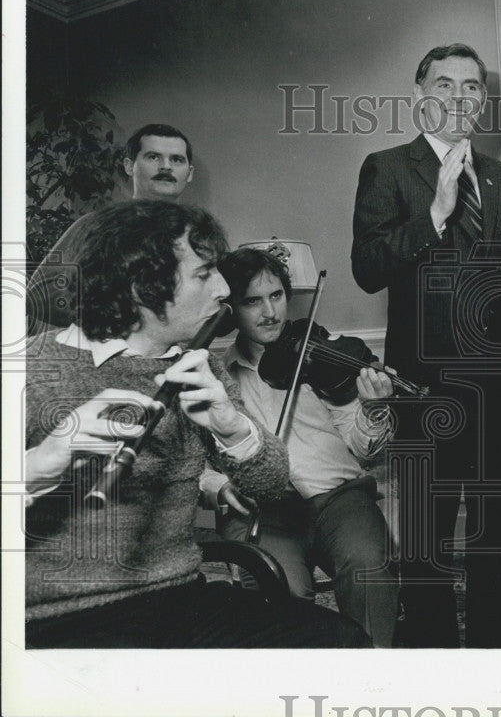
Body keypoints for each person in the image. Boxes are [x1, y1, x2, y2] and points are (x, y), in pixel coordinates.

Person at [24, 201, 367, 648]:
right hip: (58, 617)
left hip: (176, 598)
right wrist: (38, 466)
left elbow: (268, 484)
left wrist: (233, 428)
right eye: (205, 274)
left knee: (340, 645)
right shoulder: (31, 367)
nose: (224, 289)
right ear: (143, 285)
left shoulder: (200, 366)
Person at [351, 42, 501, 647]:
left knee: (496, 536)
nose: (459, 98)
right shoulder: (387, 167)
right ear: (420, 95)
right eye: (445, 85)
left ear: (483, 99)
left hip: (498, 384)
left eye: (472, 87)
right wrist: (434, 213)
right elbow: (368, 267)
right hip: (423, 386)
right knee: (425, 540)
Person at [203, 248, 399, 647]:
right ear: (230, 310)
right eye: (252, 301)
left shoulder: (318, 357)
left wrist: (375, 411)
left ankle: (376, 677)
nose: (270, 312)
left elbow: (362, 448)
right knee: (281, 594)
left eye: (276, 296)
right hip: (267, 509)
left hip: (338, 499)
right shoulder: (215, 376)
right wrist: (218, 485)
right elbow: (191, 459)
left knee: (367, 566)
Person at [28, 123, 197, 334]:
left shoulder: (199, 235)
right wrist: (116, 321)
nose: (166, 167)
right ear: (128, 166)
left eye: (177, 159)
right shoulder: (96, 225)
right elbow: (40, 294)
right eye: (153, 157)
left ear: (189, 173)